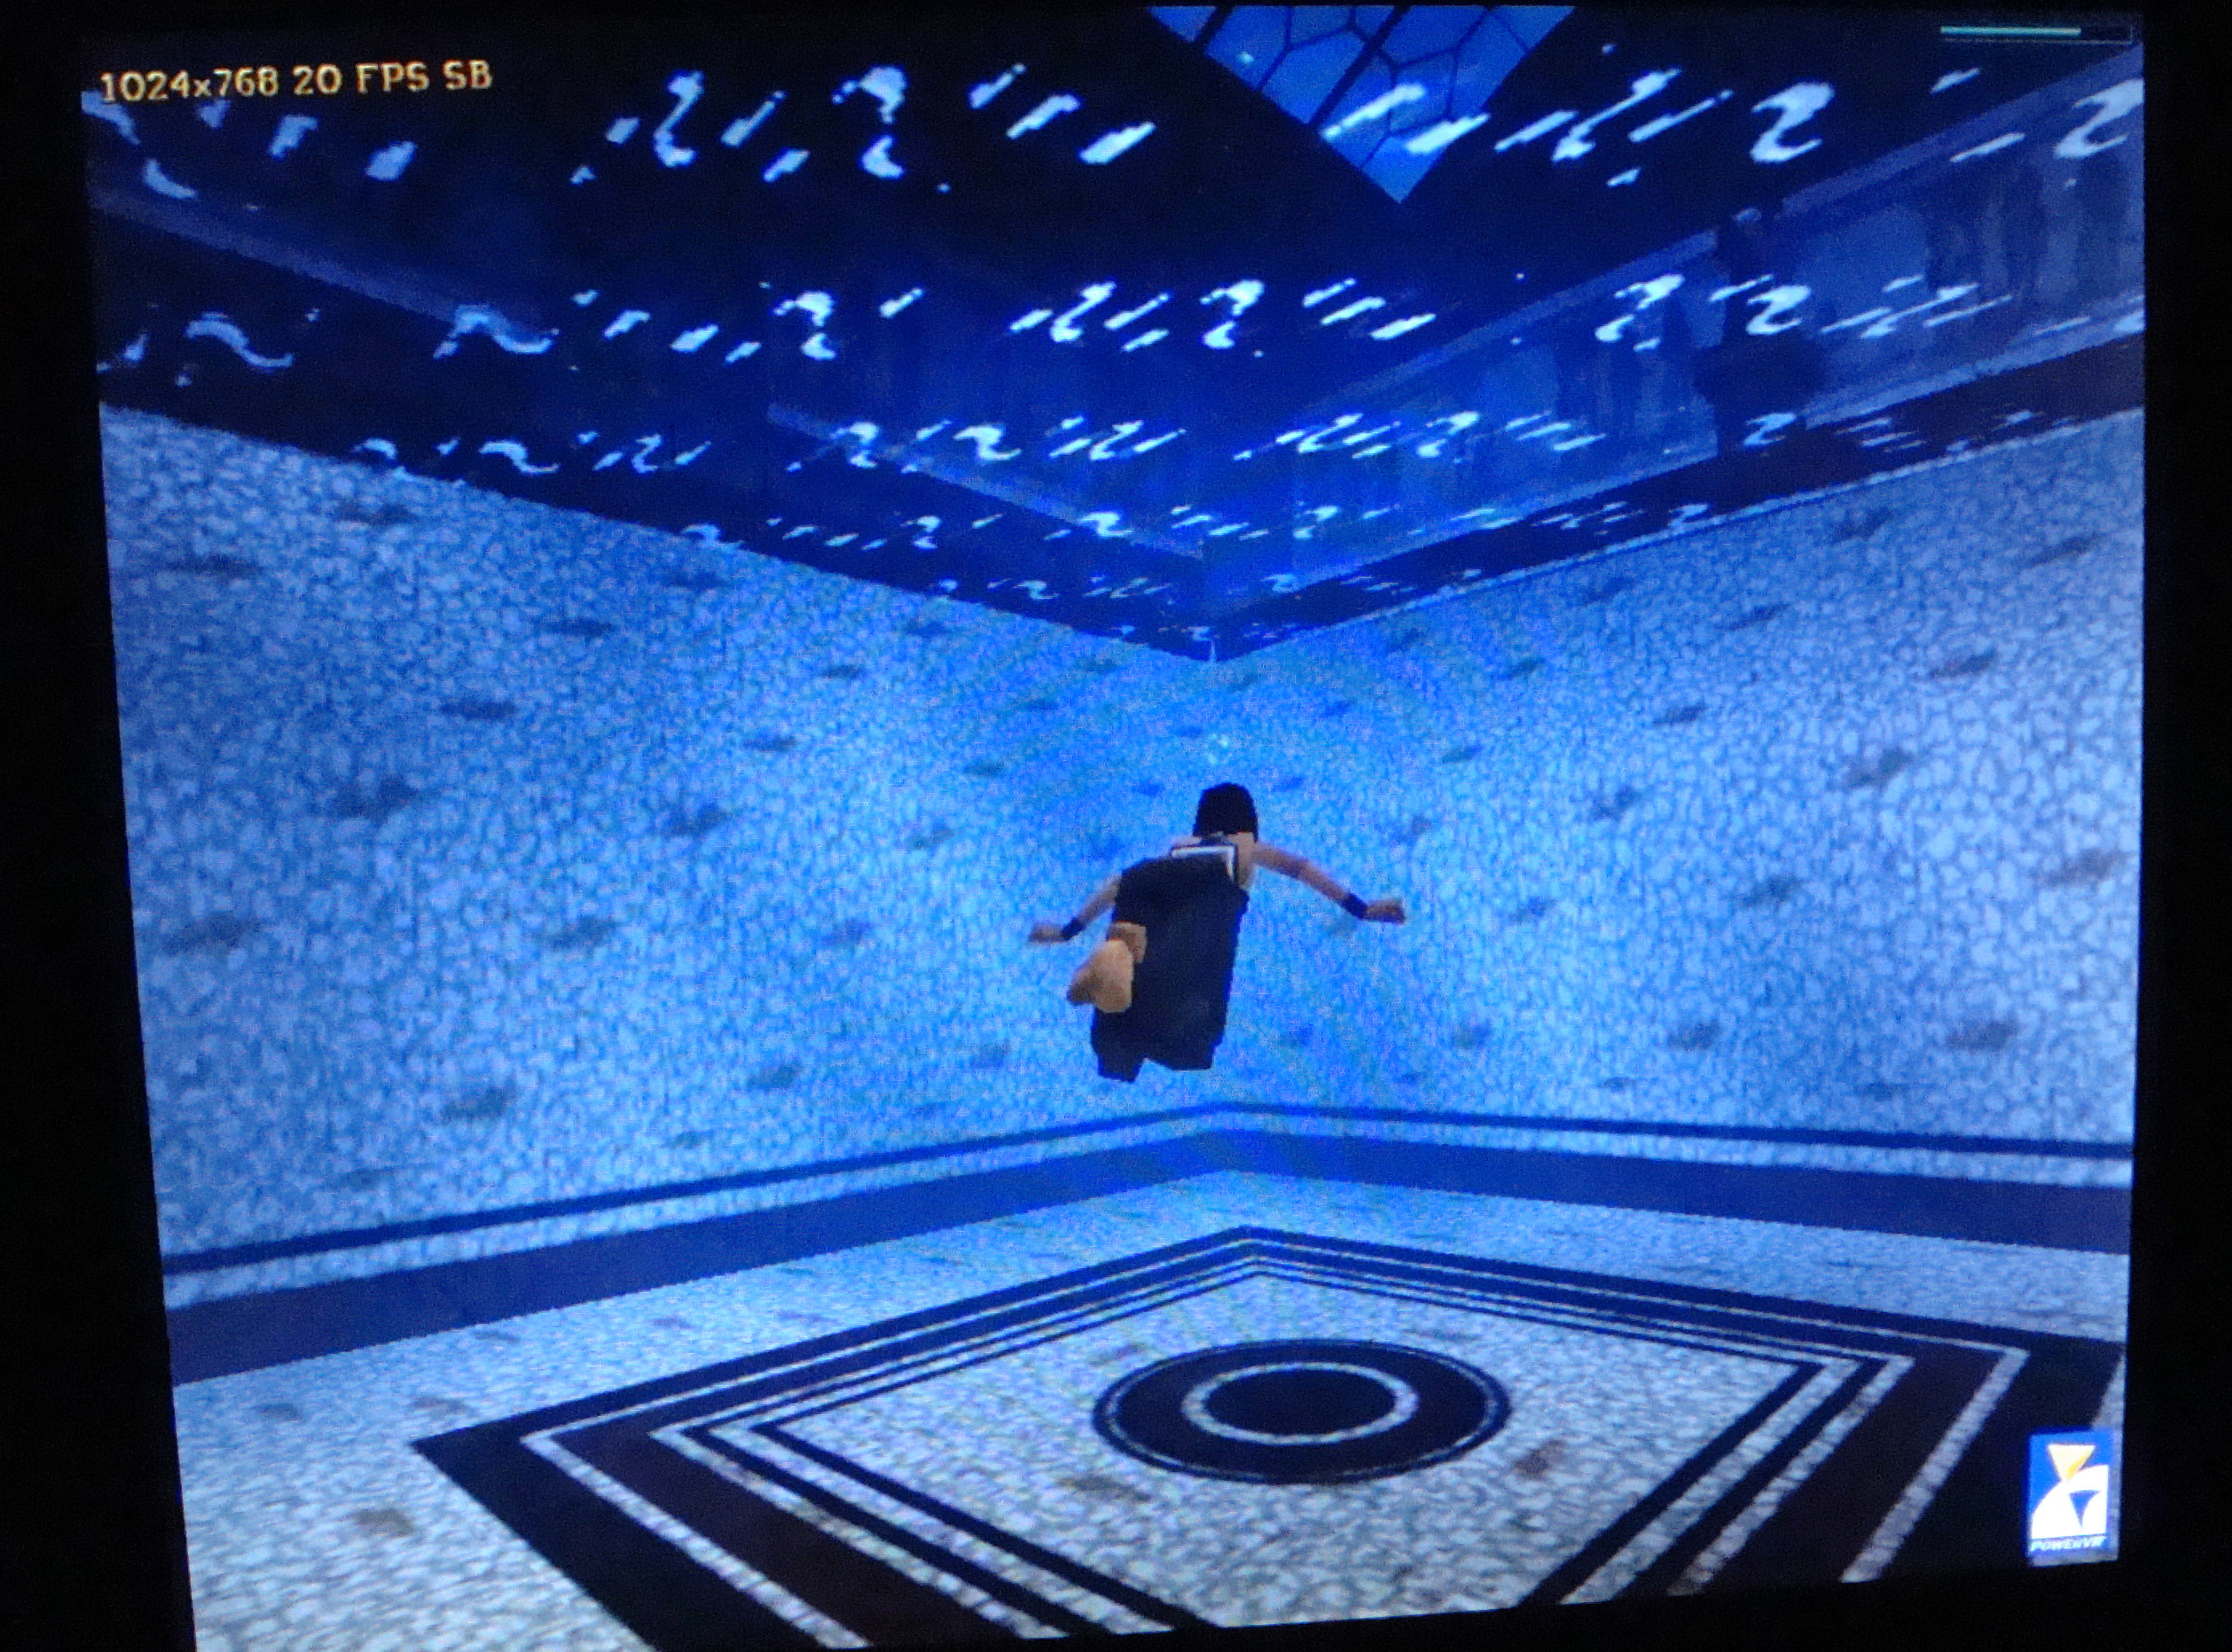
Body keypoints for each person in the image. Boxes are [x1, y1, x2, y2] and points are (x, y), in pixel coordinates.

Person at [1028, 783, 1406, 1081]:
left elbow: (1120, 885)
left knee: (1140, 975)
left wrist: (1067, 931)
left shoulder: (1178, 847)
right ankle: (1122, 982)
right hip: (1206, 917)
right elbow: (1299, 867)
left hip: (1154, 905)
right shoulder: (1245, 846)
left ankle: (1112, 966)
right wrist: (1361, 909)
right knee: (1186, 1013)